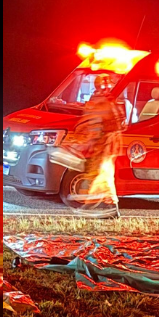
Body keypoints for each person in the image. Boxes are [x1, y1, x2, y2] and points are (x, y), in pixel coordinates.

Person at [56, 70, 125, 215]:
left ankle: (91, 207)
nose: (106, 88)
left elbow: (93, 126)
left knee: (100, 174)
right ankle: (111, 210)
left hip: (105, 145)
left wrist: (80, 145)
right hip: (106, 145)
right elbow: (119, 124)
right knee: (104, 175)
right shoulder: (110, 102)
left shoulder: (101, 103)